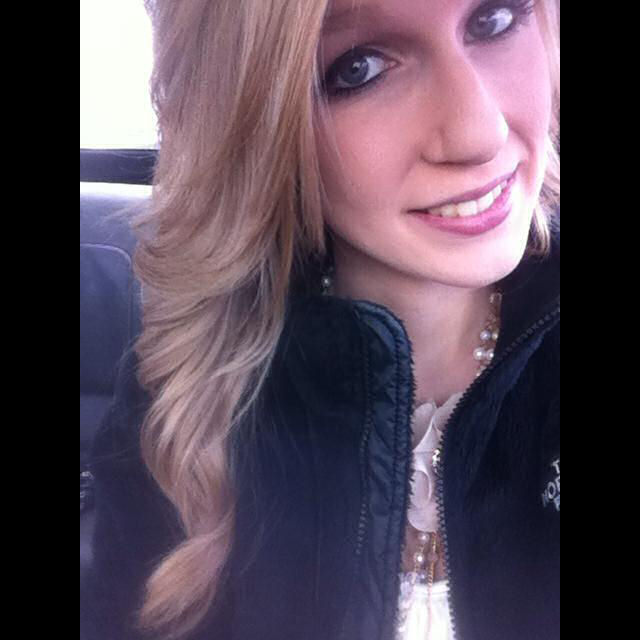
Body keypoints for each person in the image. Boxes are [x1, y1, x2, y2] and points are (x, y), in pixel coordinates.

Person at [81, 0, 560, 639]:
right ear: (251, 118)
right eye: (358, 68)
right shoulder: (180, 403)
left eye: (494, 20)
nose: (481, 132)